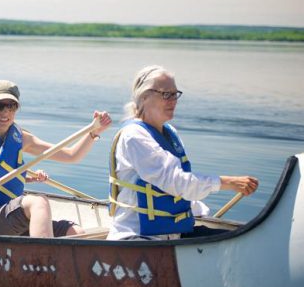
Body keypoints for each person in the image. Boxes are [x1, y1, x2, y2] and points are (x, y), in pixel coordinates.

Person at [107, 65, 259, 241]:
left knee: (236, 238)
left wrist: (200, 213)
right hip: (137, 237)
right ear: (144, 97)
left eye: (175, 94)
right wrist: (228, 182)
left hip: (172, 234)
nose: (173, 100)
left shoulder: (169, 133)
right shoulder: (134, 136)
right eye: (166, 94)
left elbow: (177, 190)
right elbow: (176, 181)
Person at [0, 80, 112, 237]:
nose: (5, 112)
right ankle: (41, 261)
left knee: (76, 233)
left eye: (11, 106)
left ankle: (45, 258)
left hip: (11, 217)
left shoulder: (22, 139)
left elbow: (71, 156)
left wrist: (93, 132)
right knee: (38, 202)